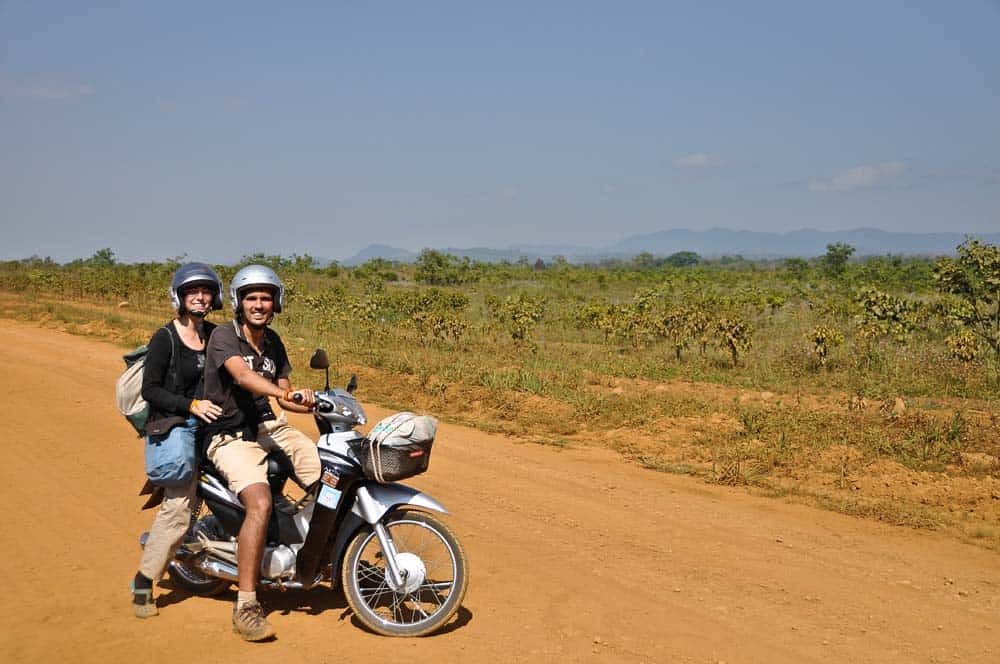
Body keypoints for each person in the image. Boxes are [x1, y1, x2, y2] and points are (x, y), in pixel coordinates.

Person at [202, 264, 321, 642]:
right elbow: (244, 377)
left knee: (330, 476)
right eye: (251, 298)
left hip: (270, 426)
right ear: (239, 302)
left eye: (265, 298)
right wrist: (284, 393)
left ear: (276, 303)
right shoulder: (224, 336)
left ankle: (319, 553)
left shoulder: (273, 342)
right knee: (260, 503)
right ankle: (247, 603)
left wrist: (318, 402)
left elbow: (287, 394)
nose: (258, 304)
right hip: (229, 434)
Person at [131, 262, 224, 618]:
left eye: (205, 292)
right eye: (192, 292)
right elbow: (150, 389)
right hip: (177, 427)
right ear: (180, 297)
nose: (200, 297)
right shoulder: (165, 337)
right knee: (179, 508)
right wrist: (191, 405)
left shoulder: (216, 335)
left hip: (213, 427)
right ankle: (144, 581)